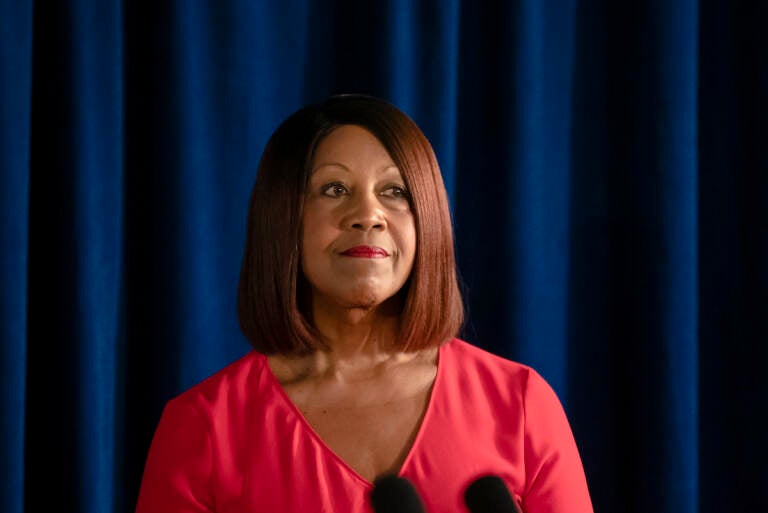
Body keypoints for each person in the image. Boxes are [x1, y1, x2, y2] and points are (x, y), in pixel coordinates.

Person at [134, 95, 593, 513]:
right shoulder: (203, 426)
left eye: (394, 191)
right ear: (282, 219)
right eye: (333, 190)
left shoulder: (521, 405)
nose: (367, 215)